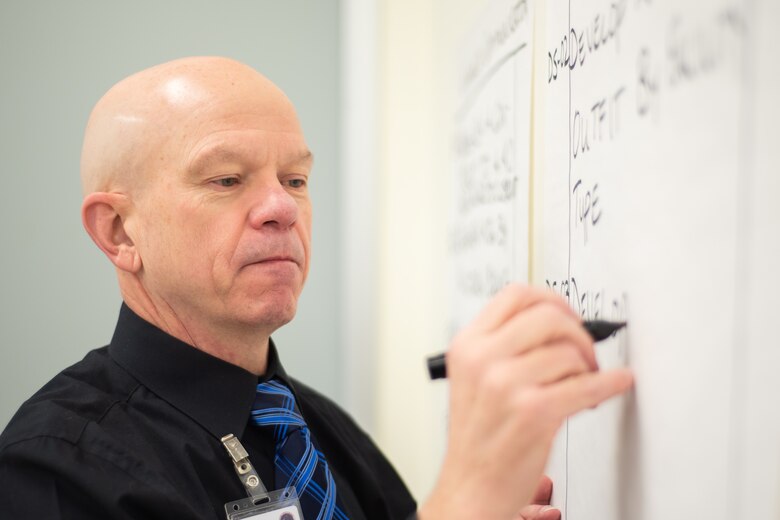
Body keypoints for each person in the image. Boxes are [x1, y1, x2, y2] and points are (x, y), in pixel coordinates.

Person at [0, 57, 633, 520]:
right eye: (226, 180)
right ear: (117, 231)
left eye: (296, 180)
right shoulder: (53, 472)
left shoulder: (320, 431)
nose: (281, 207)